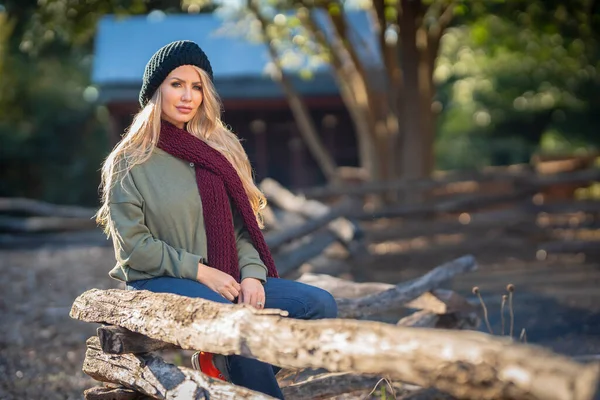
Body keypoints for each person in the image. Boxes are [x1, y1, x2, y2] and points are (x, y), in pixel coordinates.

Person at [95, 40, 338, 399]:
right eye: (176, 84)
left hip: (228, 279)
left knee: (320, 305)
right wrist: (201, 271)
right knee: (236, 320)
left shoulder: (218, 151)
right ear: (155, 91)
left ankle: (221, 367)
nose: (187, 96)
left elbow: (240, 228)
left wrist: (253, 275)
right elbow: (134, 249)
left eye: (197, 87)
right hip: (160, 280)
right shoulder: (129, 161)